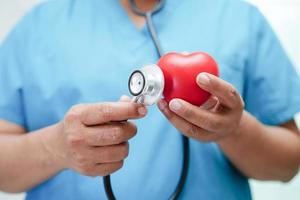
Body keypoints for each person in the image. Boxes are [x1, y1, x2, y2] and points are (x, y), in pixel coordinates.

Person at [0, 0, 299, 199]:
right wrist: (56, 147)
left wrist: (235, 130)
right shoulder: (40, 26)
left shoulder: (236, 17)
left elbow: (289, 164)